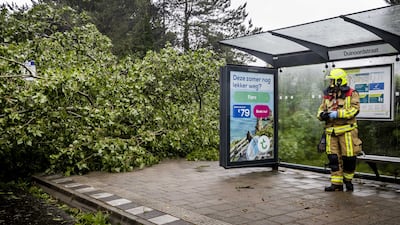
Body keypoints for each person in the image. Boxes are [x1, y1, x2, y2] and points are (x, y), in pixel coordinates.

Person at [317, 68, 362, 192]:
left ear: (338, 81)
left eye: (332, 80)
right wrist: (322, 115)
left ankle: (348, 180)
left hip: (347, 132)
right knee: (333, 158)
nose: (330, 82)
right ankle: (336, 183)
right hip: (331, 132)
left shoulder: (352, 93)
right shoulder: (328, 95)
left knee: (349, 158)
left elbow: (355, 110)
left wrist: (337, 114)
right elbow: (321, 109)